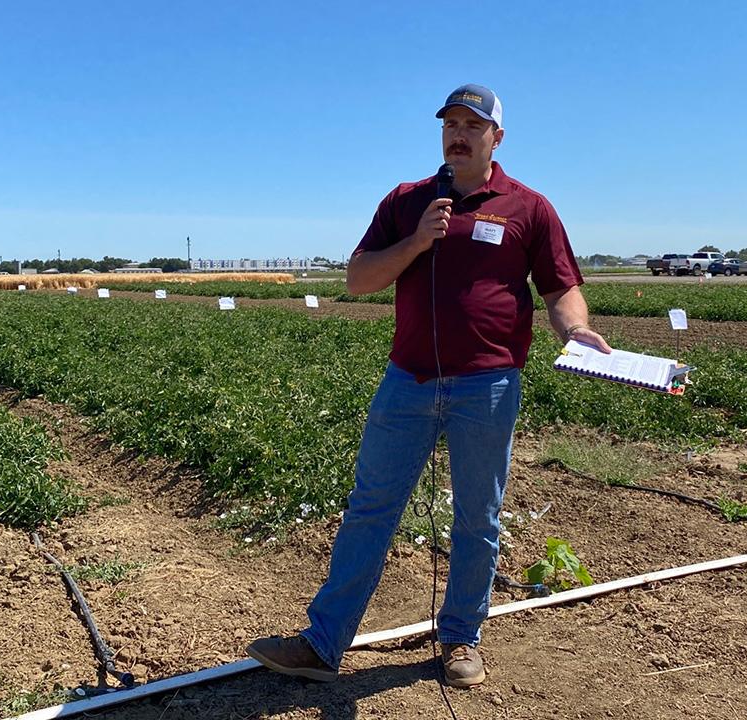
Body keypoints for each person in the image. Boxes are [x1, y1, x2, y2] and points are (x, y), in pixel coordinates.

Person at [247, 84, 610, 688]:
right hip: (407, 383)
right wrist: (416, 240)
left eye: (473, 125)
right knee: (371, 509)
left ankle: (461, 638)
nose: (459, 135)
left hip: (487, 386)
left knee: (478, 516)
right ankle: (322, 644)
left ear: (497, 137)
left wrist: (577, 328)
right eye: (450, 125)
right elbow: (359, 279)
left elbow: (558, 287)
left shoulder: (530, 208)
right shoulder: (407, 200)